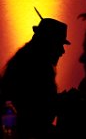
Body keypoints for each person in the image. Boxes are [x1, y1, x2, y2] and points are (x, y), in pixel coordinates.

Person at [0, 8, 71, 139]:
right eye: (59, 45)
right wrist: (63, 101)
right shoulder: (38, 68)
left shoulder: (24, 60)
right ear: (49, 43)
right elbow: (38, 113)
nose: (62, 51)